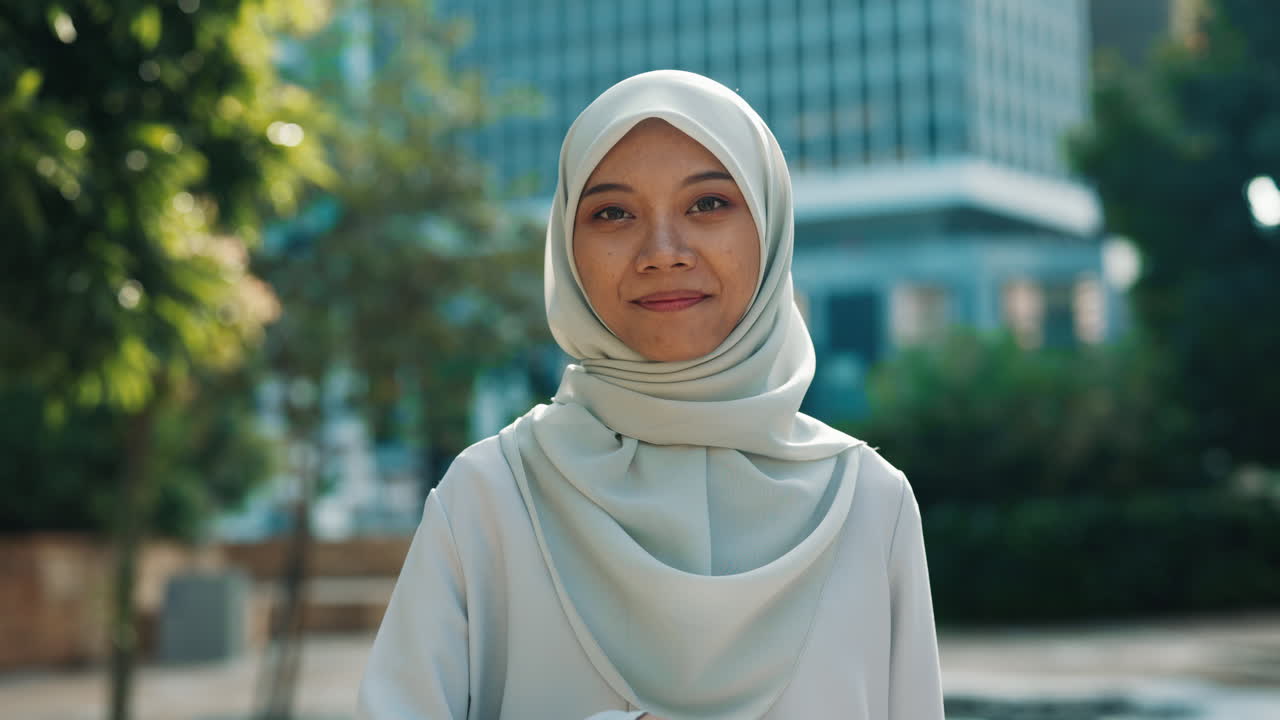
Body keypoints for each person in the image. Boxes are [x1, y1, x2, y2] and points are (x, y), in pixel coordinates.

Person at [355, 69, 944, 720]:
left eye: (708, 204)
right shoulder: (491, 498)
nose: (662, 252)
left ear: (770, 225)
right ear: (568, 251)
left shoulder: (870, 503)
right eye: (613, 213)